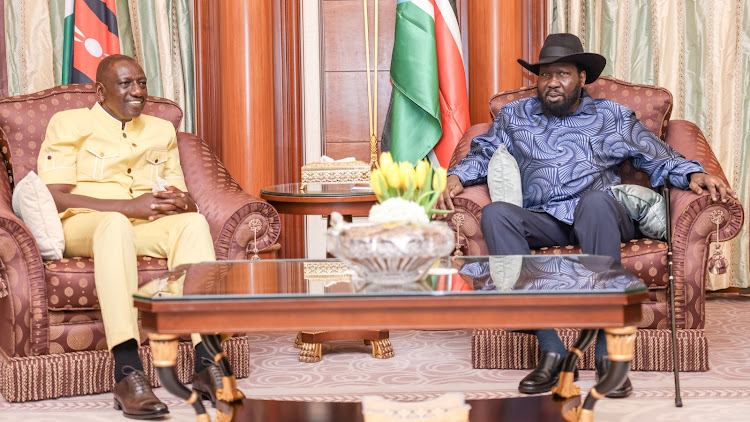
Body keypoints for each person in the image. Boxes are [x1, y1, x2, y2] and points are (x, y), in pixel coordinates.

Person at [438, 33, 737, 398]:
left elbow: (655, 154)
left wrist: (692, 173)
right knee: (498, 214)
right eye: (545, 75)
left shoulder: (610, 116)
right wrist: (456, 176)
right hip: (544, 219)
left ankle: (605, 355)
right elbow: (483, 154)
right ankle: (550, 349)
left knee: (595, 201)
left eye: (562, 74)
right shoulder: (514, 116)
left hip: (600, 216)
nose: (552, 83)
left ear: (582, 78)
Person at [38, 55, 223, 419]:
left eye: (141, 83)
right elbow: (55, 196)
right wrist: (128, 207)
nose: (137, 92)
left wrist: (183, 201)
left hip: (141, 226)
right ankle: (127, 371)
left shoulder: (160, 130)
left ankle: (207, 360)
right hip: (85, 223)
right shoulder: (68, 123)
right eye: (126, 84)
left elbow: (179, 193)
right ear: (101, 90)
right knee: (114, 224)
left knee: (193, 225)